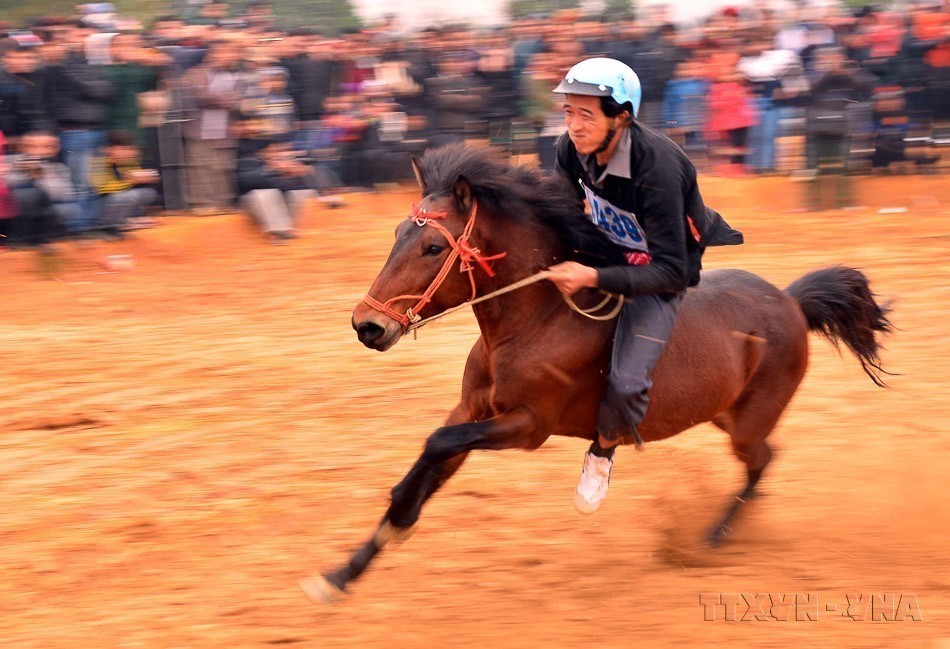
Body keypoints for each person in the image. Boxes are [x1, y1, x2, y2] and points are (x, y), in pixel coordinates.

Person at [547, 58, 742, 514]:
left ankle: (602, 452)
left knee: (627, 382)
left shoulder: (658, 168)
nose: (574, 126)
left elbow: (673, 271)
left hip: (662, 269)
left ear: (621, 117)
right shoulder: (569, 149)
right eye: (568, 112)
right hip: (609, 250)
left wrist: (593, 276)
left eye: (586, 115)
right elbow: (562, 213)